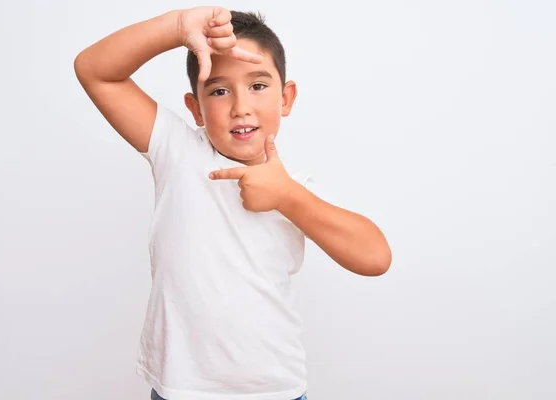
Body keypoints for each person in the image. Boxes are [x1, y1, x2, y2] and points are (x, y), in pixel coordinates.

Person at [74, 6, 392, 400]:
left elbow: (375, 257)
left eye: (258, 85)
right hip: (182, 390)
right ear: (196, 109)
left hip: (276, 392)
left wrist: (287, 196)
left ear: (286, 97)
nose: (240, 105)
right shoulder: (179, 151)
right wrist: (175, 28)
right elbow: (95, 71)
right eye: (219, 90)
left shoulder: (296, 189)